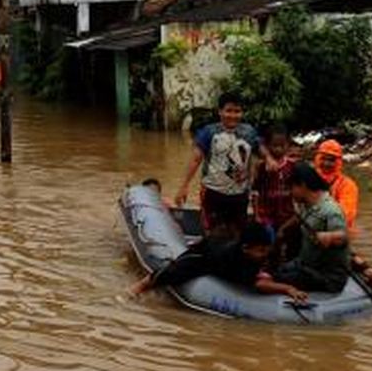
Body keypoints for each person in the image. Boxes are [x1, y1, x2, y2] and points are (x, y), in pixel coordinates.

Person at [128, 221, 306, 302]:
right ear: (246, 248)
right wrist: (287, 289)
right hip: (206, 257)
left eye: (267, 249)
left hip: (222, 243)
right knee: (174, 271)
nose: (265, 253)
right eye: (261, 250)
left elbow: (260, 275)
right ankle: (139, 287)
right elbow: (258, 284)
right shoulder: (238, 258)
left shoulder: (255, 254)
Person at [175, 92, 259, 235]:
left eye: (237, 111)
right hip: (213, 191)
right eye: (229, 111)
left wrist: (255, 187)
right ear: (220, 111)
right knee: (213, 232)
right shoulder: (209, 132)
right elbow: (196, 159)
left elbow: (258, 157)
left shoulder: (249, 132)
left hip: (239, 193)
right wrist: (184, 186)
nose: (232, 115)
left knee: (237, 232)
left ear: (242, 112)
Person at [269, 162, 351, 294]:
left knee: (274, 279)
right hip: (305, 264)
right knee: (271, 272)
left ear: (302, 185)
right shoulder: (307, 205)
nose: (290, 193)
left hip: (326, 277)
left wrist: (329, 236)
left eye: (292, 188)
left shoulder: (330, 211)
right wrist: (282, 229)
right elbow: (299, 217)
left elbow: (344, 237)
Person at [313, 139, 372, 288]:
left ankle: (366, 271)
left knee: (365, 270)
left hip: (337, 237)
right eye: (324, 158)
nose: (326, 164)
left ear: (338, 162)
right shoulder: (309, 179)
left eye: (331, 160)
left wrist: (328, 234)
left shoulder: (348, 185)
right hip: (311, 232)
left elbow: (345, 215)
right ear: (318, 158)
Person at [253, 123, 297, 230]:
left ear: (288, 144)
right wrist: (257, 214)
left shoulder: (293, 166)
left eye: (282, 145)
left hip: (288, 217)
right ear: (267, 146)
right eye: (275, 145)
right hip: (266, 217)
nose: (279, 149)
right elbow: (256, 192)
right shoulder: (261, 167)